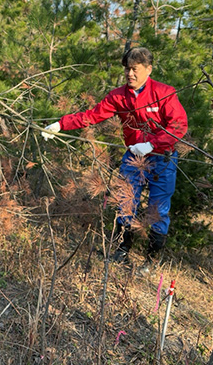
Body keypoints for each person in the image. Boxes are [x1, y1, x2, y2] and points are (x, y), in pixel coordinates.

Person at [41, 47, 188, 274]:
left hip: (162, 158)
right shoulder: (119, 96)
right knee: (125, 202)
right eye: (127, 69)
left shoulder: (164, 92)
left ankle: (151, 259)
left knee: (158, 209)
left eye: (135, 69)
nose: (130, 74)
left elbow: (178, 126)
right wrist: (61, 125)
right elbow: (92, 115)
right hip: (133, 157)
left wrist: (152, 144)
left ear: (148, 69)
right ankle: (121, 251)